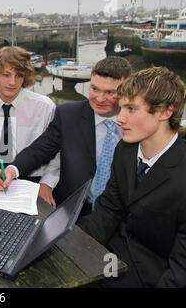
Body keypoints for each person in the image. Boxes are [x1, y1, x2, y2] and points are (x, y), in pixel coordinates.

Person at [78, 67, 186, 287]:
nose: (120, 118)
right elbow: (109, 208)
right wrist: (66, 242)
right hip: (115, 253)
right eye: (121, 108)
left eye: (131, 109)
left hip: (155, 271)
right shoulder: (125, 150)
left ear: (165, 112)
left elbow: (181, 267)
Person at [0, 56, 132, 214]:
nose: (99, 99)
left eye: (110, 92)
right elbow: (40, 149)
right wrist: (11, 170)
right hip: (73, 209)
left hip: (120, 215)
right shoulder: (68, 114)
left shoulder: (139, 123)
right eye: (94, 89)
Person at [0, 46, 60, 204]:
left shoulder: (45, 107)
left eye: (19, 75)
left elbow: (57, 149)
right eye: (6, 75)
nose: (12, 82)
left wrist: (47, 183)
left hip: (33, 180)